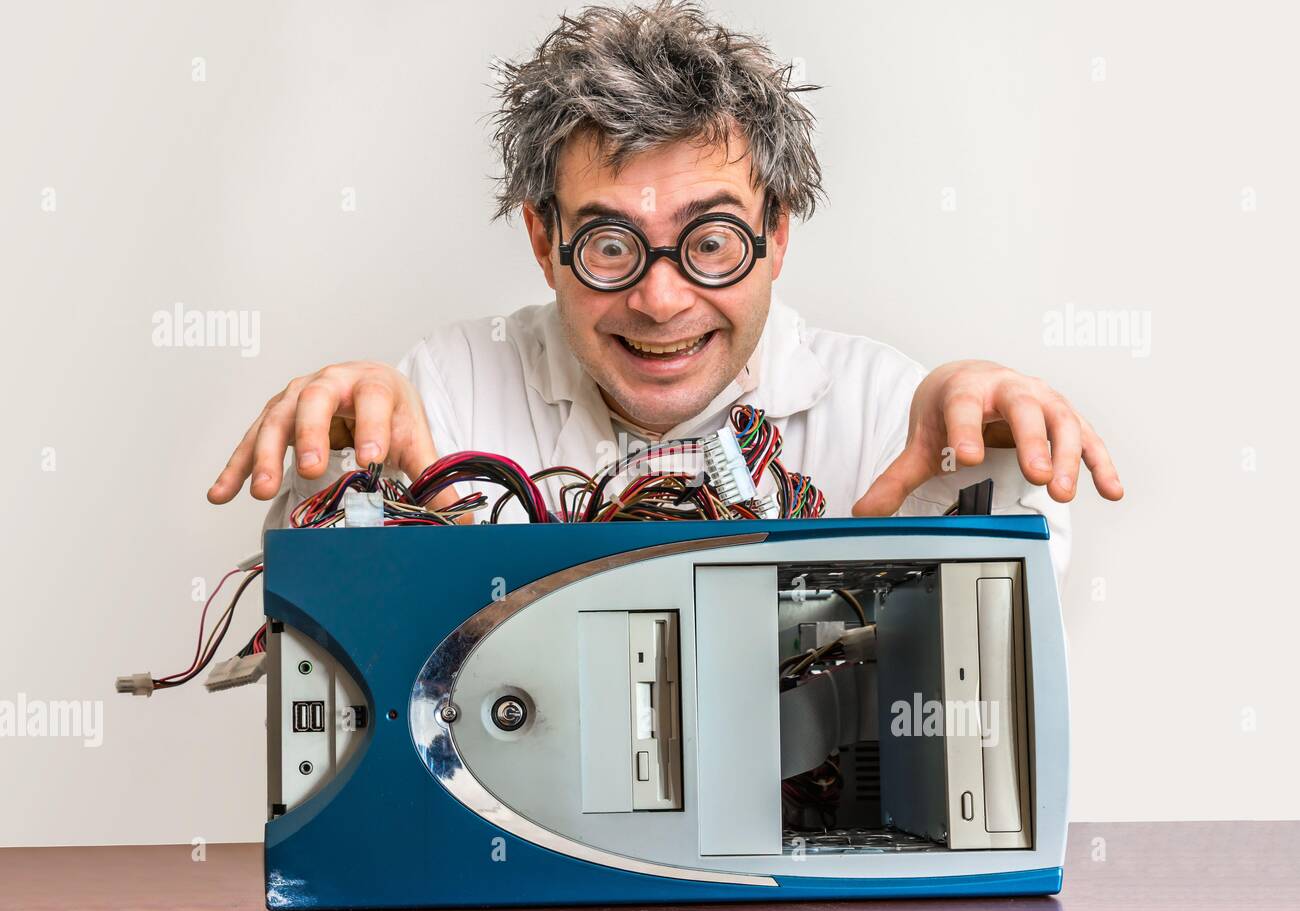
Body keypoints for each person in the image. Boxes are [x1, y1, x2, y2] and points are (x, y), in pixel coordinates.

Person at [206, 1, 1122, 579]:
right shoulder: (445, 394)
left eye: (711, 242)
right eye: (610, 245)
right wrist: (341, 461)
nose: (660, 299)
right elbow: (336, 644)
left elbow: (1010, 610)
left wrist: (991, 455)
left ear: (777, 233)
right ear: (542, 238)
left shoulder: (886, 411)